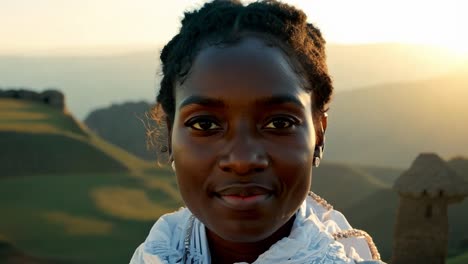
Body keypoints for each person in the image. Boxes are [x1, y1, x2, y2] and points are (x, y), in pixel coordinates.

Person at [131, 0, 385, 263]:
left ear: (319, 133)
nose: (242, 160)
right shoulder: (156, 254)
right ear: (171, 136)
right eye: (204, 124)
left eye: (280, 123)